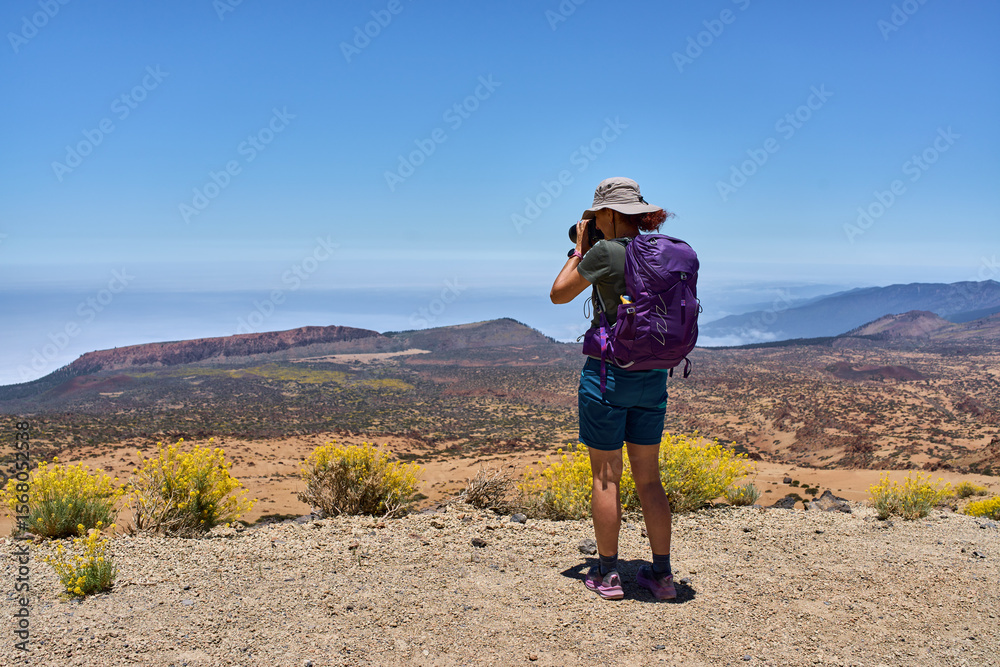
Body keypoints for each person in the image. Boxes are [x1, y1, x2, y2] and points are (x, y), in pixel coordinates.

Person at [549, 176, 677, 601]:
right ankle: (661, 576)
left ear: (607, 214)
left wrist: (580, 251)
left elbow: (558, 295)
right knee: (650, 481)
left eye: (595, 215)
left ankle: (607, 575)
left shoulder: (604, 251)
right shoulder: (660, 252)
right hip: (653, 377)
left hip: (609, 376)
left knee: (606, 478)